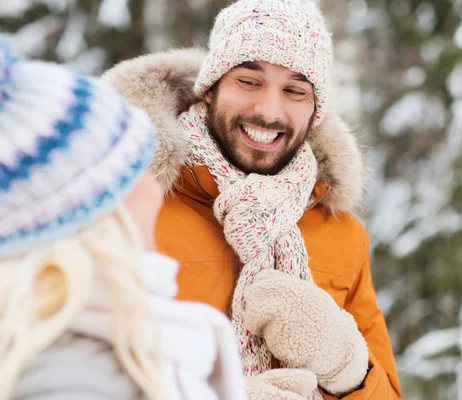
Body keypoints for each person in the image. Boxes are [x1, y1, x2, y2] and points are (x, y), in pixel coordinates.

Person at [102, 0, 402, 398]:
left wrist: (347, 366)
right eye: (249, 81)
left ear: (315, 111)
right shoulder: (130, 211)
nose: (268, 111)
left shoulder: (343, 236)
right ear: (210, 88)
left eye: (295, 90)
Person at [0, 38, 246, 400]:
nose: (152, 187)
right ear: (88, 210)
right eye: (134, 168)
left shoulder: (91, 342)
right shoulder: (77, 380)